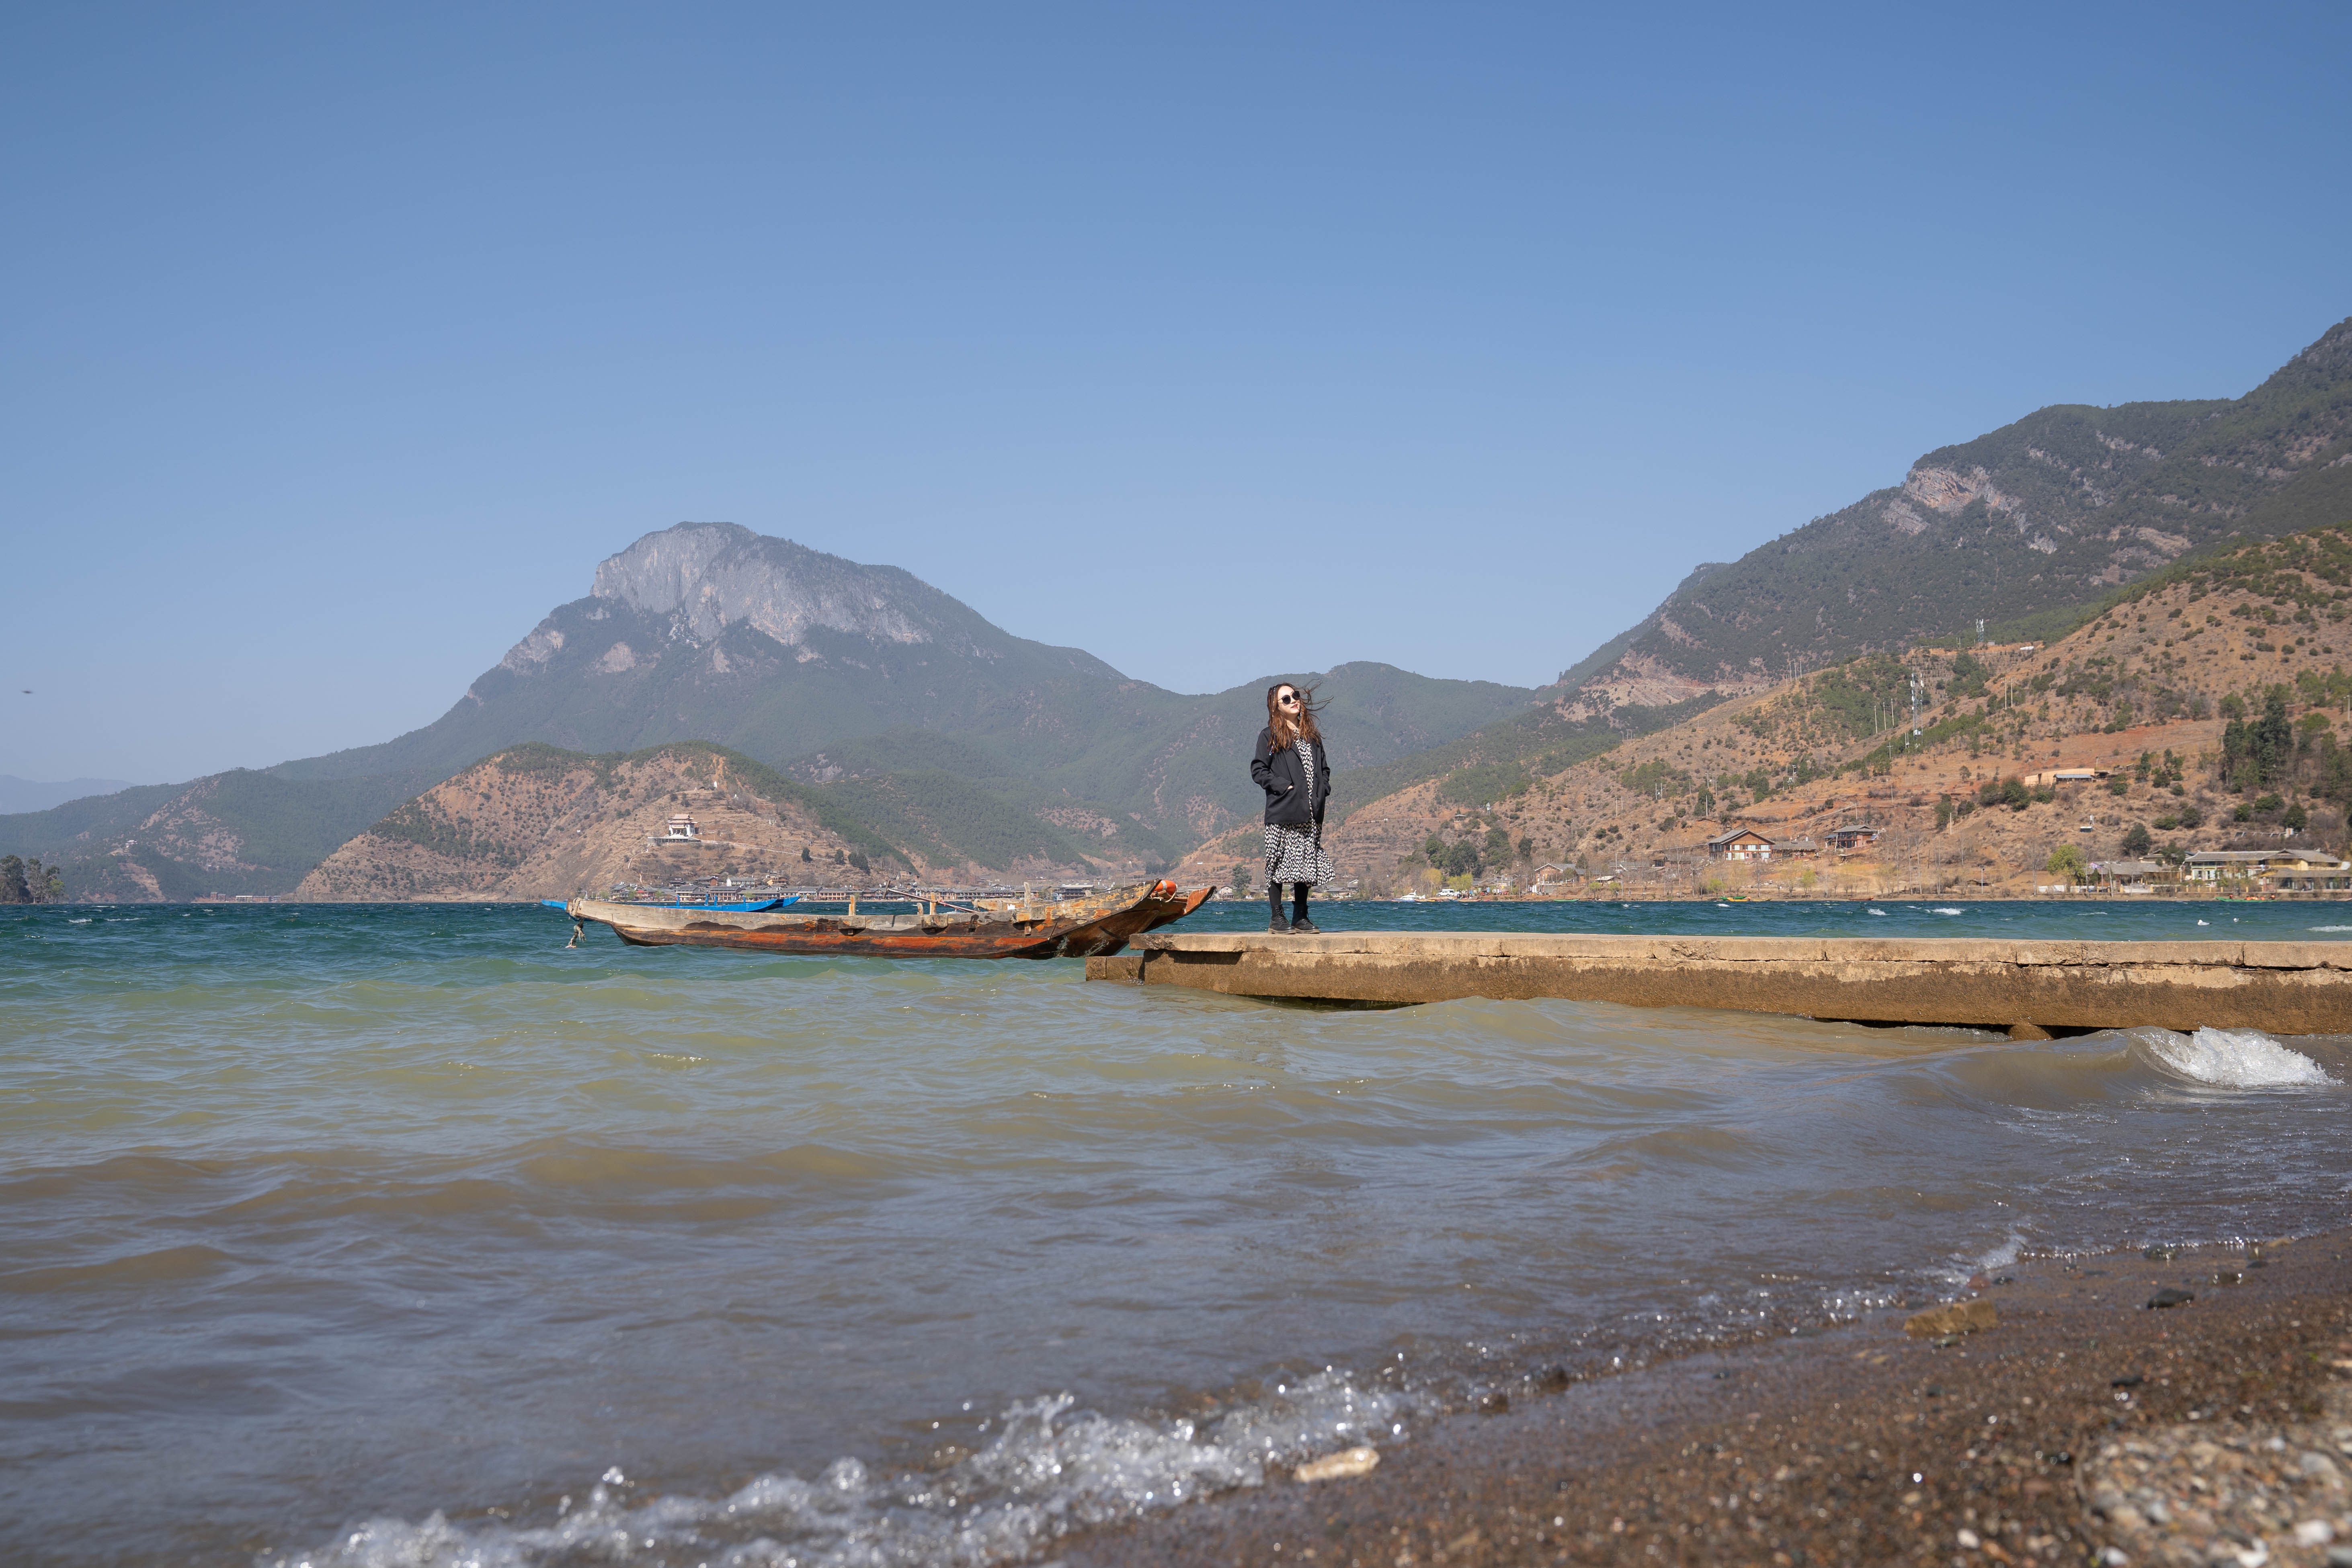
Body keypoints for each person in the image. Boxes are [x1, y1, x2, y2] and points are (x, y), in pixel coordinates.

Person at [1251, 681, 1335, 933]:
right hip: (1282, 810)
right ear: (1276, 707)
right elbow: (1258, 770)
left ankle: (1301, 917)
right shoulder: (1270, 736)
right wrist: (1284, 787)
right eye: (1286, 699)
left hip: (1311, 812)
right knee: (1276, 862)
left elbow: (1325, 770)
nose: (1294, 701)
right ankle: (1277, 919)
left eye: (1295, 696)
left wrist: (1323, 790)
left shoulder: (1312, 737)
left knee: (1306, 862)